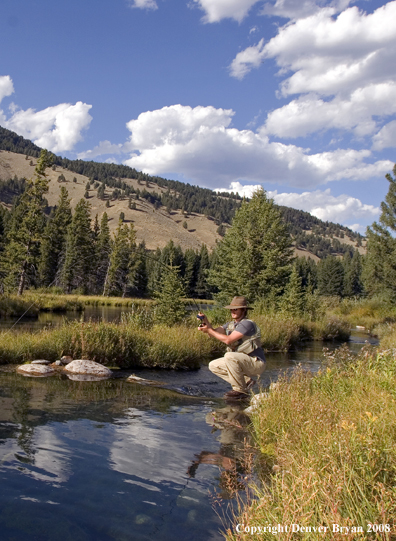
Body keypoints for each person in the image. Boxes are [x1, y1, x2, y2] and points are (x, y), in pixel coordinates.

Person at [198, 296, 266, 400]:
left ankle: (240, 390)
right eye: (231, 309)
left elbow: (228, 340)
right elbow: (213, 333)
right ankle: (247, 381)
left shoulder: (247, 324)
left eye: (236, 309)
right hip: (242, 361)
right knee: (213, 365)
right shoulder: (230, 324)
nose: (232, 311)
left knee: (229, 356)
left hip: (256, 362)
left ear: (243, 310)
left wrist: (209, 331)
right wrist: (205, 320)